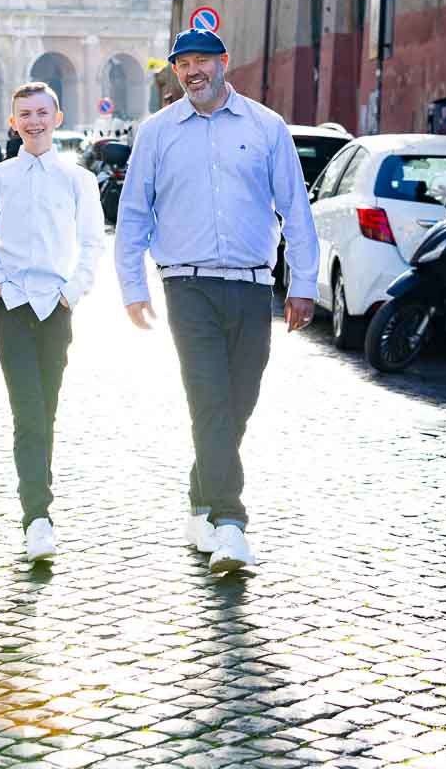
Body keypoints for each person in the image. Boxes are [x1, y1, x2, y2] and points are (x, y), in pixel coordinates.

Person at [115, 28, 319, 575]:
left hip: (253, 285)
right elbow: (134, 212)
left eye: (202, 60)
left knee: (239, 401)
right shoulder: (157, 133)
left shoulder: (266, 127)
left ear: (224, 62)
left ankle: (202, 493)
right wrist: (133, 287)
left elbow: (294, 208)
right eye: (183, 64)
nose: (192, 71)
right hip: (187, 285)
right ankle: (231, 525)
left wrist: (303, 282)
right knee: (208, 399)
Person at [0, 82, 104, 562]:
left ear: (57, 116)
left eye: (41, 113)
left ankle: (38, 507)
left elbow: (92, 243)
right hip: (12, 305)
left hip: (57, 307)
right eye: (24, 114)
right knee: (27, 413)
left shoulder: (78, 180)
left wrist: (73, 291)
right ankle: (37, 516)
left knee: (45, 412)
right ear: (14, 122)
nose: (33, 121)